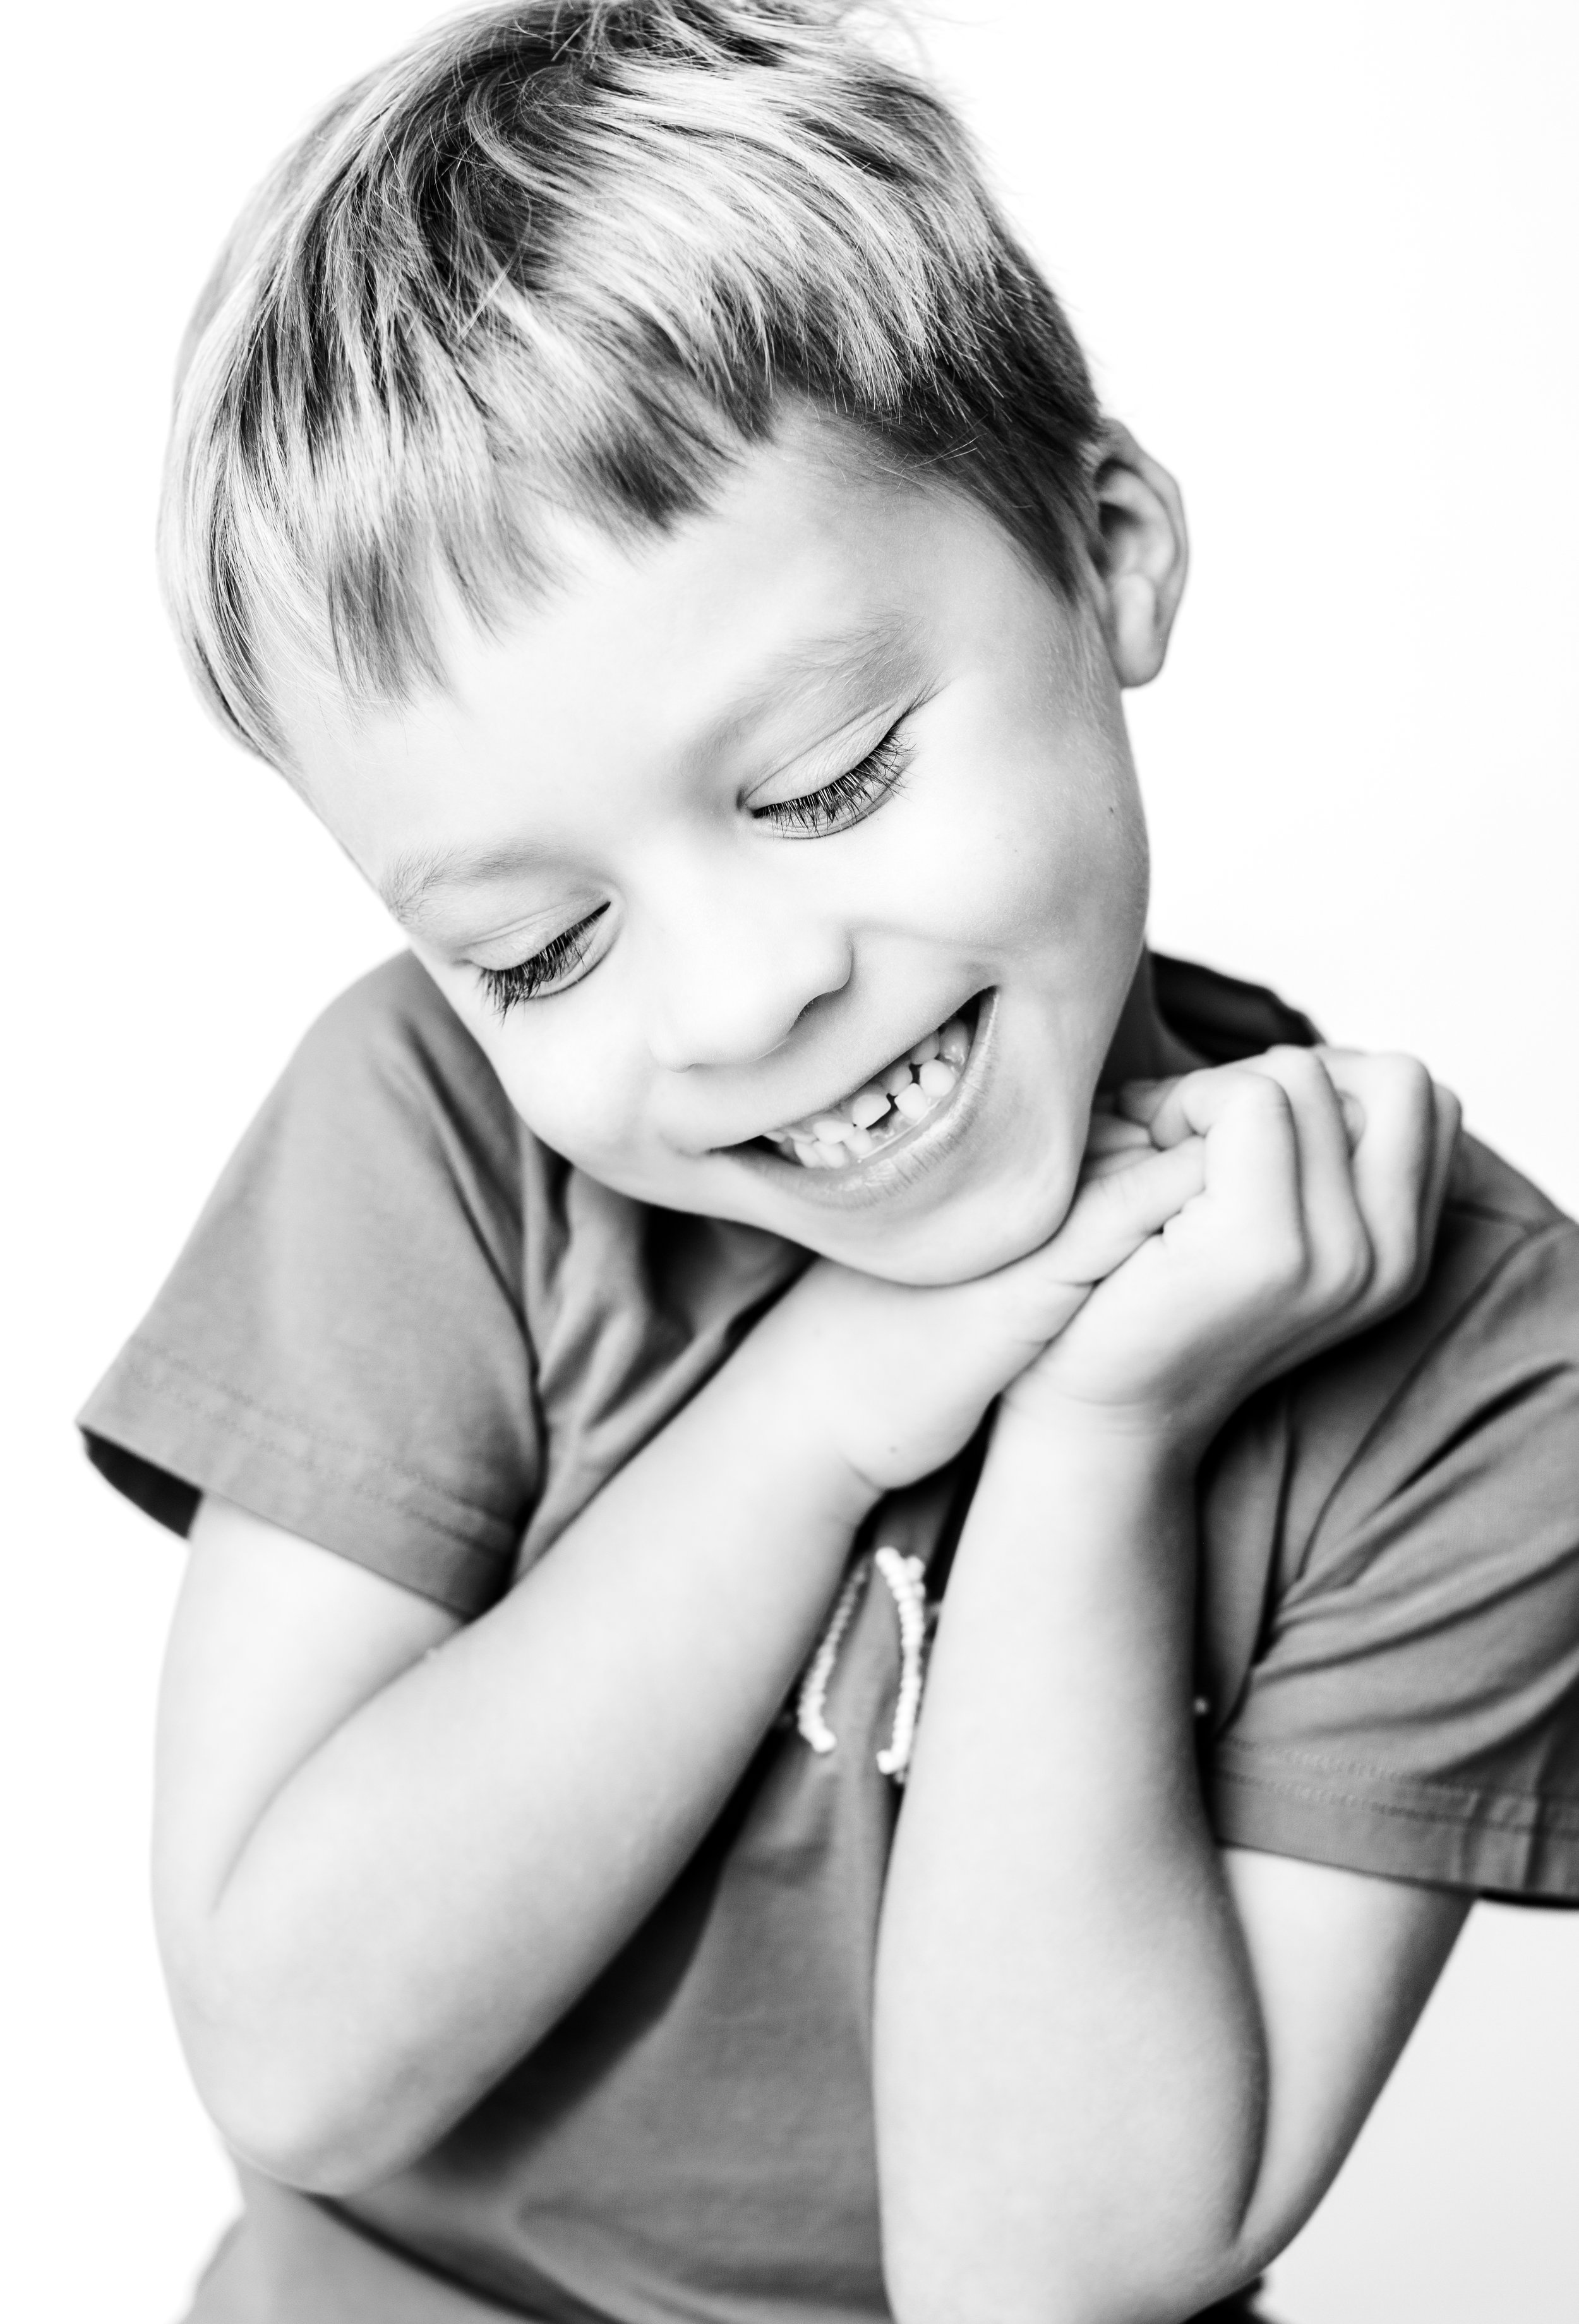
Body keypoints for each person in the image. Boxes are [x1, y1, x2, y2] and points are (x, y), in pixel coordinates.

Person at [81, 6, 1579, 2320]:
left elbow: (1042, 2281)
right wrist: (828, 1400)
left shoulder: (1473, 1352)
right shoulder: (430, 1141)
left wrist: (1101, 1423)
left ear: (1107, 554)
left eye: (818, 785)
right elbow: (294, 2061)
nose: (728, 1003)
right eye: (540, 943)